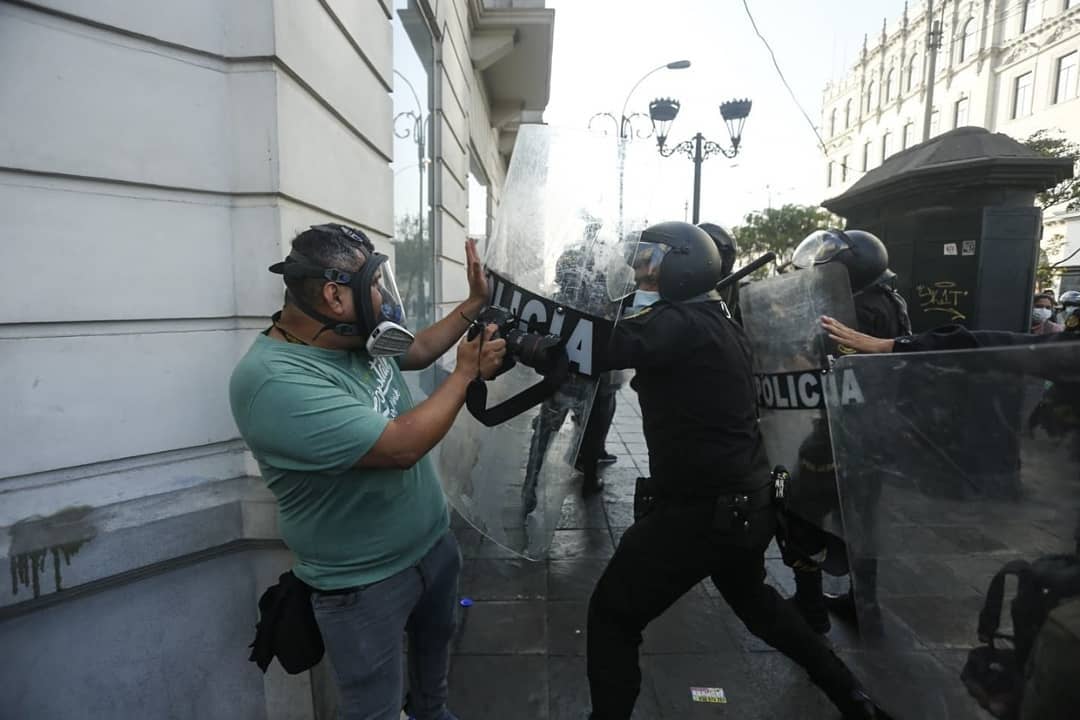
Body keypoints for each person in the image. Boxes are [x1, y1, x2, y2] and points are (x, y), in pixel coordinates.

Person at [585, 221, 890, 720]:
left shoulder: (678, 322)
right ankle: (851, 696)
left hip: (700, 511)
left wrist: (533, 342)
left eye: (649, 261)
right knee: (757, 603)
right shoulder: (715, 316)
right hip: (745, 502)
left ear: (683, 265)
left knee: (613, 615)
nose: (639, 271)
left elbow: (602, 347)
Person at [229, 224, 506, 720]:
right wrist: (466, 374)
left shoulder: (351, 335)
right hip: (364, 584)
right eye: (373, 287)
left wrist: (473, 303)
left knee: (432, 686)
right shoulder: (275, 382)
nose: (382, 297)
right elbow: (400, 447)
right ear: (335, 295)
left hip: (432, 546)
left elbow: (416, 351)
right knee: (373, 708)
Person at [785, 229, 911, 633]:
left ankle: (809, 605)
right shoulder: (891, 300)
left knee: (799, 515)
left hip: (837, 433)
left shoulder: (851, 309)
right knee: (860, 521)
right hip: (875, 430)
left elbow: (810, 360)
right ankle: (863, 602)